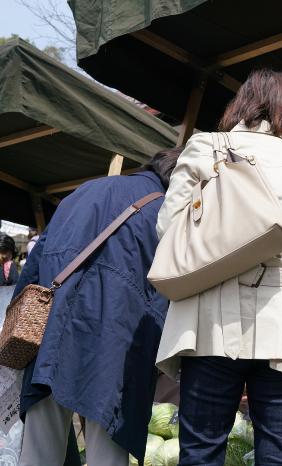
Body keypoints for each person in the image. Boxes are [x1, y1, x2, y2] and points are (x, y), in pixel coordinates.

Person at [156, 69, 282, 466]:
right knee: (278, 451)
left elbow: (167, 230)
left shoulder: (204, 146)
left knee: (202, 450)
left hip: (210, 322)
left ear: (240, 104)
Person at [15, 147, 182, 466]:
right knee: (108, 452)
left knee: (38, 453)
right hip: (114, 348)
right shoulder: (167, 210)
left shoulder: (85, 190)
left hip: (49, 335)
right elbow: (167, 291)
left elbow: (34, 268)